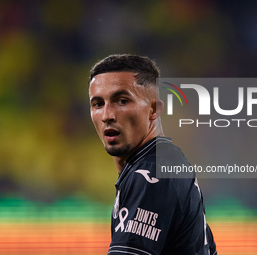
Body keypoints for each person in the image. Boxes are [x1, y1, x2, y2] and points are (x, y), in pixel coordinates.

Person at [89, 54, 217, 255]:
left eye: (122, 101)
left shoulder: (151, 173)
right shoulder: (165, 162)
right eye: (98, 104)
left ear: (154, 109)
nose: (107, 115)